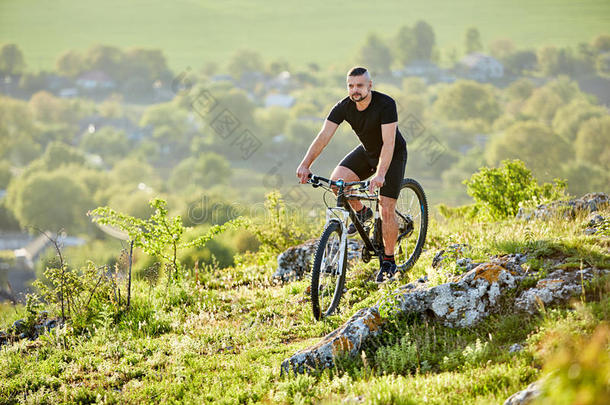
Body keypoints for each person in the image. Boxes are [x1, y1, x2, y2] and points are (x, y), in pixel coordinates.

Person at [296, 66, 407, 283]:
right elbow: (323, 136)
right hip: (368, 152)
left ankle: (389, 261)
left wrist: (381, 174)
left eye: (359, 85)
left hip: (392, 155)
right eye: (350, 85)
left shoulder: (386, 104)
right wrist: (305, 165)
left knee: (386, 207)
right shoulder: (344, 107)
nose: (355, 90)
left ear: (369, 86)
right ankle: (363, 212)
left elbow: (389, 143)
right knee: (339, 184)